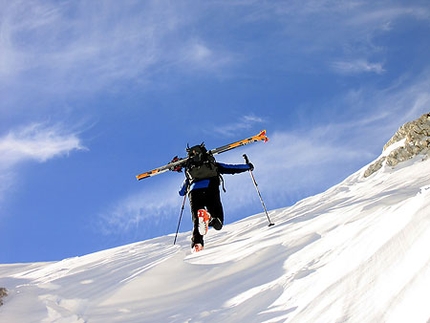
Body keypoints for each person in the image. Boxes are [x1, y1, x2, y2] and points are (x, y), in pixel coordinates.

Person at [177, 143, 253, 252]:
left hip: (194, 191)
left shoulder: (190, 172)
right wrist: (248, 166)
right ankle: (210, 217)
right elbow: (231, 168)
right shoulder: (213, 165)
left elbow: (181, 192)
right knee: (218, 221)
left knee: (197, 221)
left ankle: (197, 244)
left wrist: (187, 184)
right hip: (210, 187)